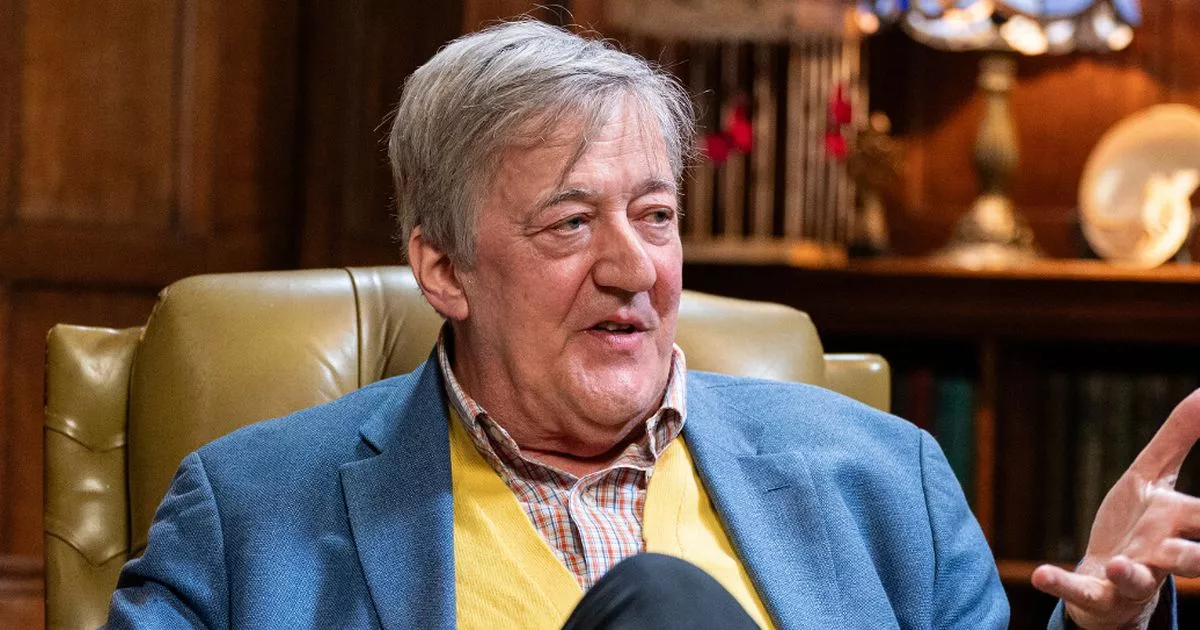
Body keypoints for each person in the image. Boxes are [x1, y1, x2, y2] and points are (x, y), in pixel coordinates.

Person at [107, 20, 1197, 629]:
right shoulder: (251, 513)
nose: (633, 268)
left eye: (657, 215)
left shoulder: (882, 479)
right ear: (443, 268)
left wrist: (1099, 629)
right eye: (570, 222)